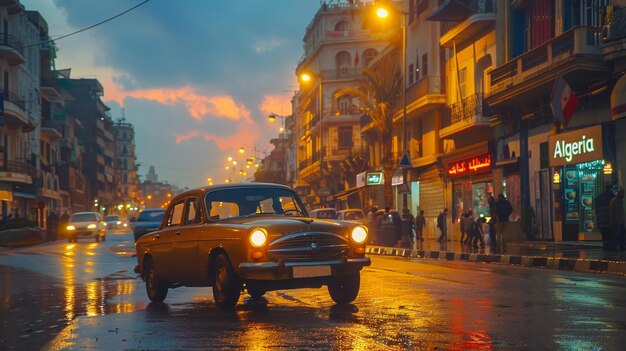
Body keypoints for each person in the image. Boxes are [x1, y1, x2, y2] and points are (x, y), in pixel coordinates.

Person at [595, 185, 615, 251]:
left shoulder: (599, 198)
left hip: (601, 221)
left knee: (604, 236)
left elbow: (597, 211)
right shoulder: (612, 198)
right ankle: (610, 248)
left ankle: (605, 247)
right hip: (609, 221)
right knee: (610, 235)